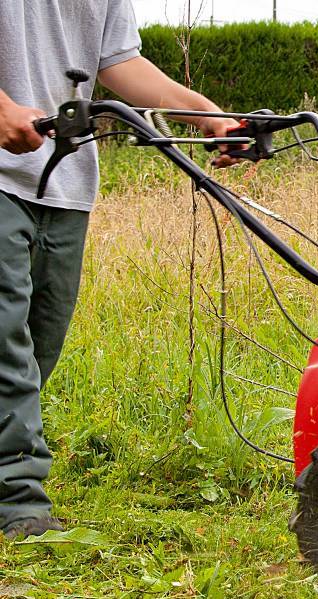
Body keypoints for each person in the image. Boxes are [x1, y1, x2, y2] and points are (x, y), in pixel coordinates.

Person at [0, 1, 240, 540]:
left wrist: (205, 113)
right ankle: (18, 502)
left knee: (41, 343)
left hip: (63, 178)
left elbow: (119, 62)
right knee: (5, 345)